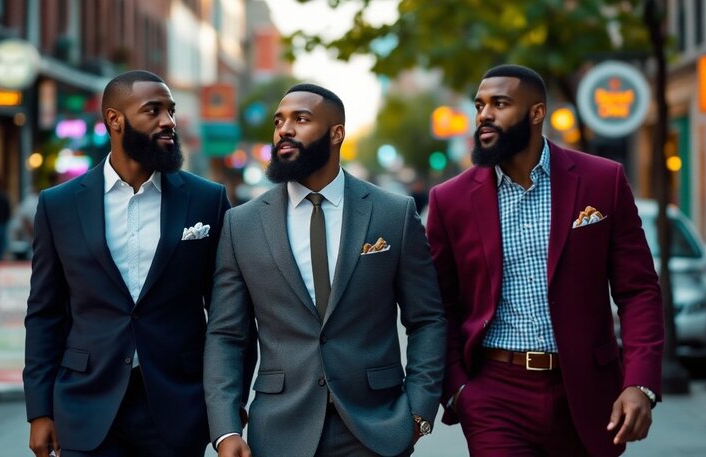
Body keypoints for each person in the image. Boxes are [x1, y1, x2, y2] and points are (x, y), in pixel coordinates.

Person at [426, 64, 664, 456]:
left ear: (537, 112)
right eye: (480, 105)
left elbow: (638, 290)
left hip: (587, 389)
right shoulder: (450, 200)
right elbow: (439, 305)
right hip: (495, 395)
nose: (484, 115)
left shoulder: (602, 180)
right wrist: (458, 391)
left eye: (500, 104)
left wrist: (640, 382)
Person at [204, 83, 447, 457]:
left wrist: (418, 413)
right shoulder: (241, 224)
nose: (285, 130)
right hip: (280, 431)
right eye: (279, 121)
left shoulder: (393, 214)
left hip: (378, 428)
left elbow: (427, 319)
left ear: (337, 133)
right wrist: (225, 429)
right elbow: (226, 334)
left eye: (301, 119)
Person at [23, 70, 254, 457]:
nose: (168, 121)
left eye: (171, 110)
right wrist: (40, 410)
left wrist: (229, 412)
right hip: (86, 407)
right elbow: (45, 313)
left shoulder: (207, 200)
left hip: (178, 407)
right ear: (115, 119)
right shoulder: (58, 205)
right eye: (153, 110)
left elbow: (231, 316)